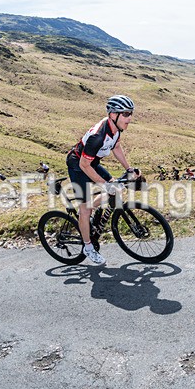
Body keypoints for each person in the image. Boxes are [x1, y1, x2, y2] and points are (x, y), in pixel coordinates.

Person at [67, 95, 139, 265]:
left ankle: (92, 209)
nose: (129, 118)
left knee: (117, 188)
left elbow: (117, 147)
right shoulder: (97, 136)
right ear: (113, 115)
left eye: (131, 114)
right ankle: (88, 246)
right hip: (78, 164)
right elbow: (84, 166)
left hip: (92, 162)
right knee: (85, 208)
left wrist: (129, 169)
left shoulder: (116, 129)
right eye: (126, 114)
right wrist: (105, 185)